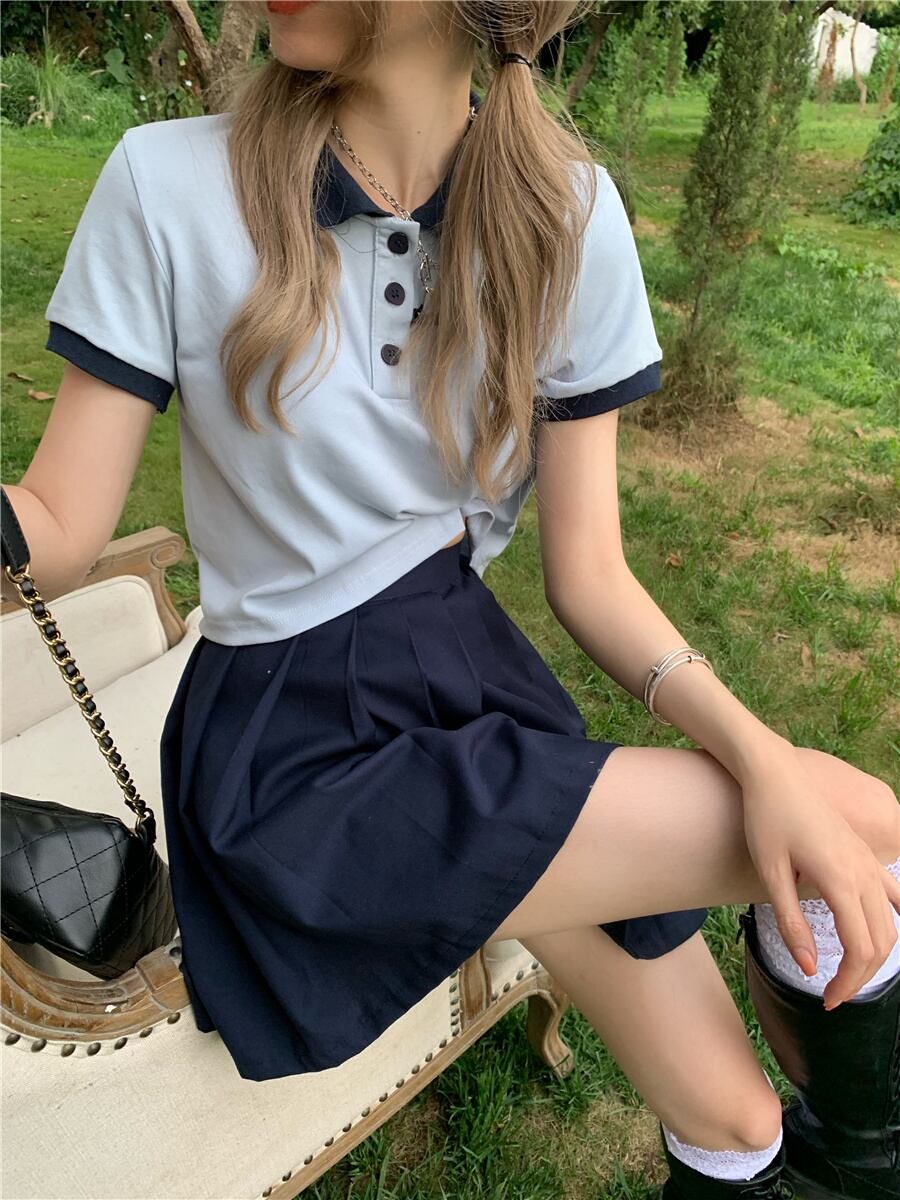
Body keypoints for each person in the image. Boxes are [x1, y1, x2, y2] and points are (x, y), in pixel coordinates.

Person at [2, 2, 897, 1196]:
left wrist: (756, 751)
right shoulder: (167, 185)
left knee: (734, 1119)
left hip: (469, 684)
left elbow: (591, 576)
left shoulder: (566, 214)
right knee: (869, 821)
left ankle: (852, 1162)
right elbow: (59, 523)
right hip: (290, 749)